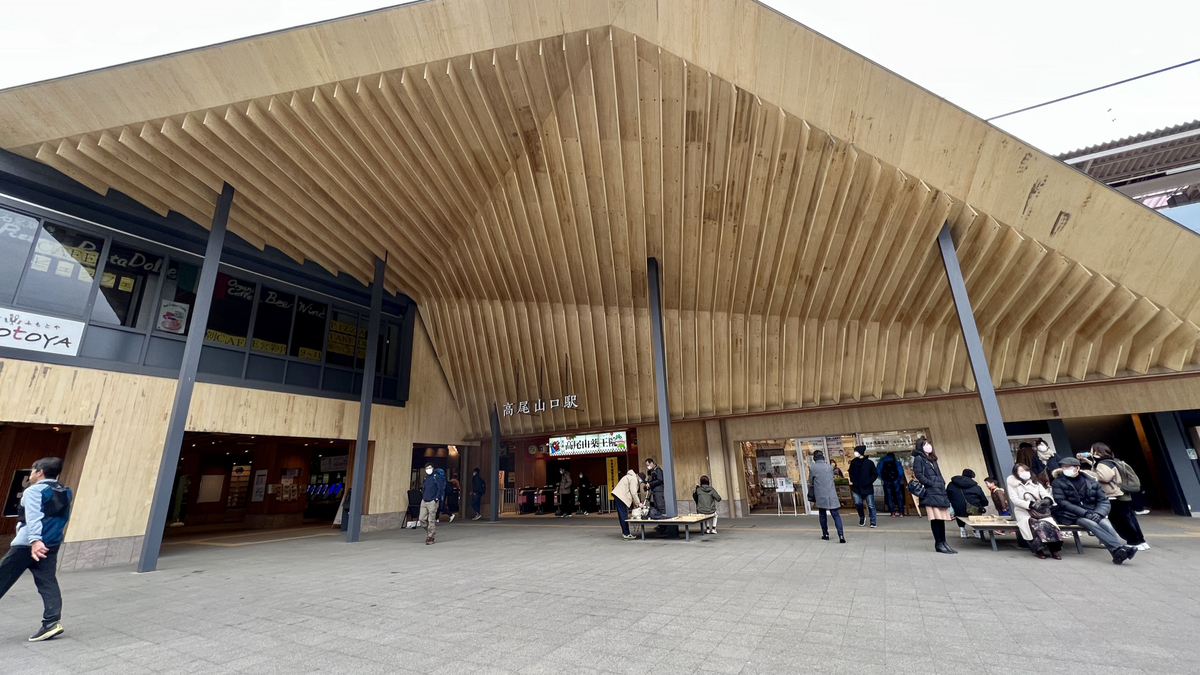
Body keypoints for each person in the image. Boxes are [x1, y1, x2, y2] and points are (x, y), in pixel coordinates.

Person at [0, 457, 73, 641]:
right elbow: (63, 517)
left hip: (29, 544)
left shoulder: (34, 490)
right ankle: (51, 622)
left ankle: (51, 623)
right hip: (52, 543)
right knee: (48, 582)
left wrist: (35, 540)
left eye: (32, 470)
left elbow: (33, 516)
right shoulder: (65, 491)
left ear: (40, 472)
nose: (30, 474)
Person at [1051, 457, 1138, 564]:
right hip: (1072, 515)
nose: (1065, 469)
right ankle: (1118, 548)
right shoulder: (1058, 482)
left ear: (1077, 468)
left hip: (1093, 512)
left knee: (1106, 523)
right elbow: (1062, 502)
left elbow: (1103, 500)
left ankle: (1117, 553)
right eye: (1063, 467)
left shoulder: (1091, 481)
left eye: (1068, 467)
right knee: (1091, 523)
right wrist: (1084, 513)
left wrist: (1099, 513)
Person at [1087, 443, 1148, 550]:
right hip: (1120, 494)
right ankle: (1140, 541)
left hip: (1112, 495)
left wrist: (1087, 473)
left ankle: (1133, 542)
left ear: (1096, 451)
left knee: (1120, 521)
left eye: (1092, 450)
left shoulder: (1103, 464)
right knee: (1129, 518)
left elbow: (1104, 477)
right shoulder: (1113, 461)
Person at [1007, 463, 1063, 559]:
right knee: (1033, 524)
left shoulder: (1035, 482)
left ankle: (1054, 549)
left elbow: (1045, 494)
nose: (1024, 473)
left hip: (1040, 510)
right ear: (1016, 473)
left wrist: (1046, 500)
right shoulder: (1012, 484)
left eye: (1026, 470)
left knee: (1048, 523)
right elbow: (1014, 499)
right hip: (1023, 511)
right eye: (1021, 471)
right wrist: (1030, 505)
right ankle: (1039, 549)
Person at [912, 438, 956, 554]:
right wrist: (930, 483)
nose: (928, 446)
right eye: (925, 444)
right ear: (920, 446)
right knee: (935, 519)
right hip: (930, 492)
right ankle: (938, 543)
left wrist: (942, 483)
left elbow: (939, 474)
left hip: (939, 491)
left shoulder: (932, 459)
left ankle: (944, 542)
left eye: (929, 444)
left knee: (941, 519)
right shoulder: (919, 458)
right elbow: (918, 474)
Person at [807, 451, 845, 543]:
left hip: (820, 494)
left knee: (822, 514)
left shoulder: (813, 468)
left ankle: (826, 534)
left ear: (814, 458)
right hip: (831, 493)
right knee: (836, 515)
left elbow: (811, 481)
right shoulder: (829, 467)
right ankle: (841, 535)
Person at [947, 468, 989, 538]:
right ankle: (976, 531)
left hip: (958, 509)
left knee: (959, 511)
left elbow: (947, 495)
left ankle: (962, 530)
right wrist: (983, 505)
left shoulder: (952, 484)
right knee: (977, 511)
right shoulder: (976, 487)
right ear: (972, 477)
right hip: (974, 509)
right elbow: (983, 499)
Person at [848, 446, 878, 528]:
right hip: (856, 487)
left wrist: (869, 482)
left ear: (860, 452)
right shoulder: (853, 462)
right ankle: (862, 517)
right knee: (858, 503)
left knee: (871, 505)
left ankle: (873, 521)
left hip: (867, 487)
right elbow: (850, 472)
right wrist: (853, 481)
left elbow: (874, 474)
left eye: (856, 451)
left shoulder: (869, 463)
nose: (855, 453)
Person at [611, 469, 642, 540]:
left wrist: (635, 503)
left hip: (618, 496)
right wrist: (639, 503)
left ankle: (626, 532)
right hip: (620, 496)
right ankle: (626, 533)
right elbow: (633, 492)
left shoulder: (629, 476)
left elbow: (630, 492)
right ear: (637, 476)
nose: (640, 481)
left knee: (623, 514)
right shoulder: (633, 479)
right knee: (623, 515)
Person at [416, 463, 441, 544]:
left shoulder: (436, 477)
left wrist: (436, 499)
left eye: (430, 467)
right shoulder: (426, 477)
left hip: (432, 501)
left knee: (431, 520)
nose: (428, 469)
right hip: (424, 500)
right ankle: (430, 532)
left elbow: (440, 488)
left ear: (433, 468)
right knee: (421, 519)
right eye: (427, 468)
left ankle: (430, 536)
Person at [878, 452, 905, 517]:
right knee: (898, 496)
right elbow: (901, 472)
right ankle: (901, 512)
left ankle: (892, 512)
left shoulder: (881, 462)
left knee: (889, 496)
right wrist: (898, 479)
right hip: (896, 480)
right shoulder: (896, 462)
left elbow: (878, 472)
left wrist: (883, 478)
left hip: (887, 481)